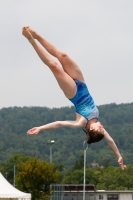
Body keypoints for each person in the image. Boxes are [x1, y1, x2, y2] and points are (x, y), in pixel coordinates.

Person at [22, 26, 125, 170]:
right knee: (63, 55)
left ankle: (31, 40)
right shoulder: (96, 122)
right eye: (102, 128)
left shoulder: (81, 122)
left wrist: (41, 128)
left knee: (54, 65)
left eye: (99, 128)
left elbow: (59, 123)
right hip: (82, 83)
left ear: (91, 130)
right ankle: (37, 35)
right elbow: (110, 141)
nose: (102, 126)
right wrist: (118, 156)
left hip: (74, 93)